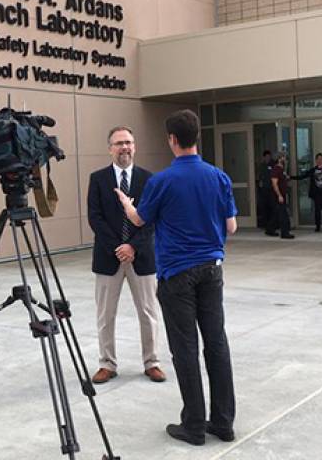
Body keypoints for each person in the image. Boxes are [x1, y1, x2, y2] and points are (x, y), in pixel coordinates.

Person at [114, 109, 238, 447]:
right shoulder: (218, 177)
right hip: (212, 270)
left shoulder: (162, 181)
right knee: (217, 344)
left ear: (172, 139)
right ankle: (224, 423)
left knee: (185, 349)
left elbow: (139, 220)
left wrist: (126, 203)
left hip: (177, 275)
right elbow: (231, 226)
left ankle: (194, 425)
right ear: (196, 136)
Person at [87, 126, 165, 384]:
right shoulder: (97, 179)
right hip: (108, 258)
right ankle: (107, 364)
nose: (125, 147)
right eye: (119, 143)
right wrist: (118, 248)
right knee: (105, 314)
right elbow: (95, 218)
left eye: (129, 142)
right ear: (110, 148)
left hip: (141, 257)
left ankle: (152, 362)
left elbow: (152, 220)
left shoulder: (149, 179)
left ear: (135, 146)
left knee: (148, 312)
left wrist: (133, 246)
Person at [291, 152, 322, 232]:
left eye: (321, 159)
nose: (320, 161)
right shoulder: (313, 170)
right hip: (317, 194)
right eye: (318, 159)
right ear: (316, 160)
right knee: (317, 211)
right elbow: (303, 176)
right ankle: (317, 227)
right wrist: (291, 177)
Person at [265, 152, 294, 239]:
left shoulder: (282, 169)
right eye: (283, 157)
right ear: (279, 159)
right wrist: (279, 195)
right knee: (283, 214)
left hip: (282, 194)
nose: (285, 159)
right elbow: (274, 183)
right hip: (278, 195)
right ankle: (285, 232)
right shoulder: (276, 169)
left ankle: (270, 229)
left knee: (277, 213)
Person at [256, 150, 274, 228]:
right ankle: (265, 224)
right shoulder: (261, 166)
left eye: (269, 157)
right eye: (266, 157)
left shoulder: (273, 165)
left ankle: (272, 224)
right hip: (263, 190)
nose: (268, 158)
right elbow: (258, 176)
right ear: (264, 157)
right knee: (264, 207)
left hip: (271, 189)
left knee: (272, 207)